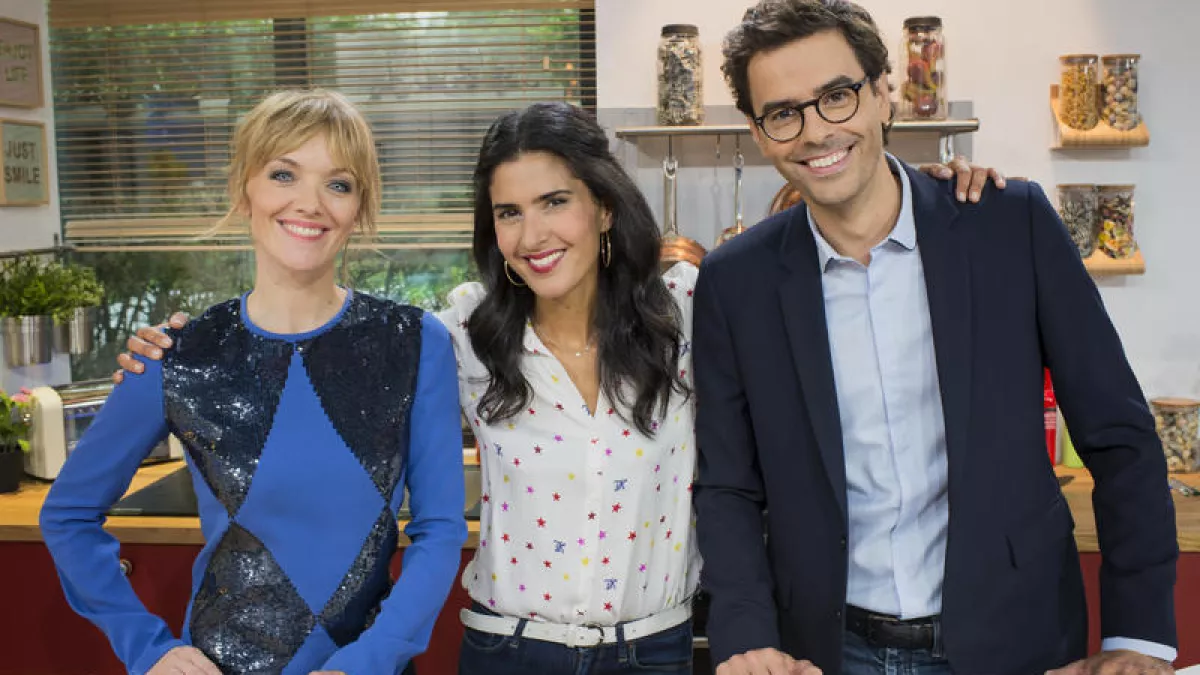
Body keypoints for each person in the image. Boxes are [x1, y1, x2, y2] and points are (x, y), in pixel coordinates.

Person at [114, 102, 1001, 674]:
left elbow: (819, 260)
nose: (532, 232)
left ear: (603, 206)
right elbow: (329, 338)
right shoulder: (458, 333)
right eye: (509, 211)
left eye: (554, 202)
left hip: (657, 650)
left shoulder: (692, 310)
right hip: (508, 651)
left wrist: (930, 190)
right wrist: (177, 346)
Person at [690, 2, 1179, 675]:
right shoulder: (733, 281)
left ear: (883, 93)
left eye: (837, 96)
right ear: (757, 131)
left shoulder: (1010, 226)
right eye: (783, 113)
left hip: (1015, 639)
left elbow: (1119, 437)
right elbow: (728, 486)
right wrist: (746, 634)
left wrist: (1139, 636)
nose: (816, 131)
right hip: (825, 651)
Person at [41, 89, 468, 675]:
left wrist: (368, 662)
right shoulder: (175, 355)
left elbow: (440, 529)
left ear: (360, 208)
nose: (310, 203)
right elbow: (67, 515)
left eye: (338, 184)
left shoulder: (416, 341)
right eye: (283, 174)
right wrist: (147, 649)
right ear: (244, 190)